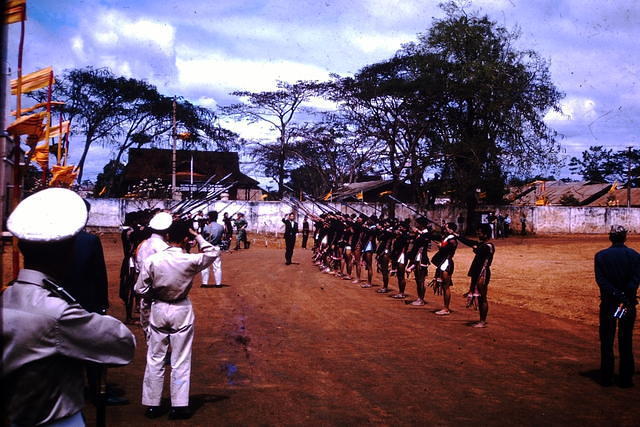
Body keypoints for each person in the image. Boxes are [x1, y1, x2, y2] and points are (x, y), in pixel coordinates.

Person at [2, 188, 135, 426]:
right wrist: (96, 308)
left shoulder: (8, 296)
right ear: (68, 251)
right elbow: (123, 344)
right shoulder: (58, 312)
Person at [135, 220, 219, 419]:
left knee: (155, 358)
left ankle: (153, 405)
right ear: (185, 239)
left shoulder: (153, 260)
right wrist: (196, 235)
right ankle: (179, 406)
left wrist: (154, 294)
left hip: (158, 307)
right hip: (181, 308)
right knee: (180, 359)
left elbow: (139, 289)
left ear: (167, 237)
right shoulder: (189, 260)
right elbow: (213, 252)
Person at [594, 225, 640, 387]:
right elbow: (635, 280)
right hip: (626, 304)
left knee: (607, 339)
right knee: (625, 339)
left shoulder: (601, 256)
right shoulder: (635, 256)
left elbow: (601, 281)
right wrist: (625, 296)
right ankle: (626, 378)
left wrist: (616, 294)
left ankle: (606, 376)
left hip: (609, 304)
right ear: (625, 237)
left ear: (610, 237)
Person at [135, 211, 172, 339]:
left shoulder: (143, 245)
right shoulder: (164, 248)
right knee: (161, 335)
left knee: (148, 332)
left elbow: (138, 270)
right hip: (160, 296)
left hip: (145, 294)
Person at [458, 224, 495, 328]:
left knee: (482, 297)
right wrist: (455, 235)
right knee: (479, 297)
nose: (478, 234)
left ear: (485, 234)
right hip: (477, 272)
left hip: (482, 273)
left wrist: (475, 248)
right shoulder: (482, 244)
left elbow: (480, 250)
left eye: (480, 232)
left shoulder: (488, 246)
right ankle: (481, 320)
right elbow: (469, 242)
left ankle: (482, 321)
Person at [201, 210, 225, 287]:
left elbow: (203, 238)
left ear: (209, 218)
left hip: (207, 247)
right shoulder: (221, 227)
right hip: (216, 247)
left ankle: (204, 283)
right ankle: (218, 284)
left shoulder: (206, 228)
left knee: (205, 266)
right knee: (217, 266)